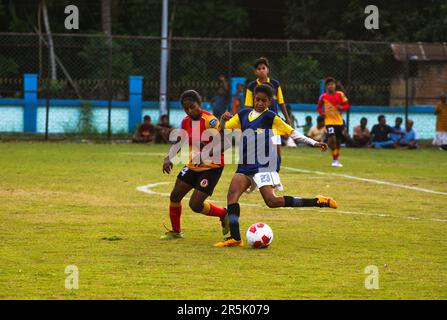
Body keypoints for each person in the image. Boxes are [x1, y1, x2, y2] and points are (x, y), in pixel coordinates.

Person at [214, 84, 337, 248]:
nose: (259, 103)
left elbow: (292, 133)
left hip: (263, 165)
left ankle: (317, 201)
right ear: (253, 99)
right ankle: (235, 238)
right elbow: (223, 130)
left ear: (269, 102)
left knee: (272, 201)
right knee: (232, 196)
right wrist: (223, 119)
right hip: (244, 165)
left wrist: (313, 142)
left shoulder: (271, 117)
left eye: (263, 101)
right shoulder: (243, 114)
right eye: (257, 99)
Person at [160, 90, 229, 240]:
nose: (190, 111)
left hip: (212, 167)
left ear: (200, 104)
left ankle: (224, 214)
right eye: (186, 108)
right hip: (193, 165)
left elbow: (226, 143)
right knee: (175, 195)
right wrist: (168, 157)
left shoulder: (210, 121)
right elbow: (179, 141)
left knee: (195, 205)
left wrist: (205, 155)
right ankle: (176, 231)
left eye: (192, 107)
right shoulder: (185, 121)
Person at [244, 57, 291, 124]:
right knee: (262, 134)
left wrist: (287, 118)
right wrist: (246, 121)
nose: (261, 71)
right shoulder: (251, 86)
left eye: (263, 68)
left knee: (276, 134)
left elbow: (281, 103)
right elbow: (248, 106)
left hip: (273, 120)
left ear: (268, 70)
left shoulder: (275, 84)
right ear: (255, 72)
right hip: (258, 121)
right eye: (259, 69)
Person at [317, 77, 350, 167]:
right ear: (326, 87)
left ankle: (336, 159)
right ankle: (334, 160)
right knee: (333, 139)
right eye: (329, 85)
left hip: (339, 122)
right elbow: (319, 107)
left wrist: (342, 108)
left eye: (332, 84)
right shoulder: (323, 96)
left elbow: (347, 105)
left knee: (338, 141)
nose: (331, 86)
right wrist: (322, 113)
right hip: (329, 122)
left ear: (335, 86)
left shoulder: (340, 94)